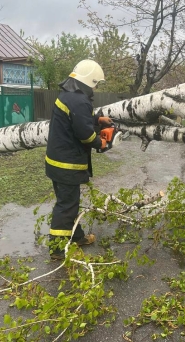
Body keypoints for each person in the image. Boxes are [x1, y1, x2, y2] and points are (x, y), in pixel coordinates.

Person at [45, 59, 113, 260]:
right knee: (66, 205)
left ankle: (77, 236)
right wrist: (101, 143)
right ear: (89, 80)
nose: (95, 87)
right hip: (67, 165)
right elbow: (85, 134)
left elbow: (78, 118)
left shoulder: (69, 95)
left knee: (69, 202)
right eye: (95, 83)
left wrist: (97, 120)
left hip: (58, 161)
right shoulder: (79, 100)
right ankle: (56, 249)